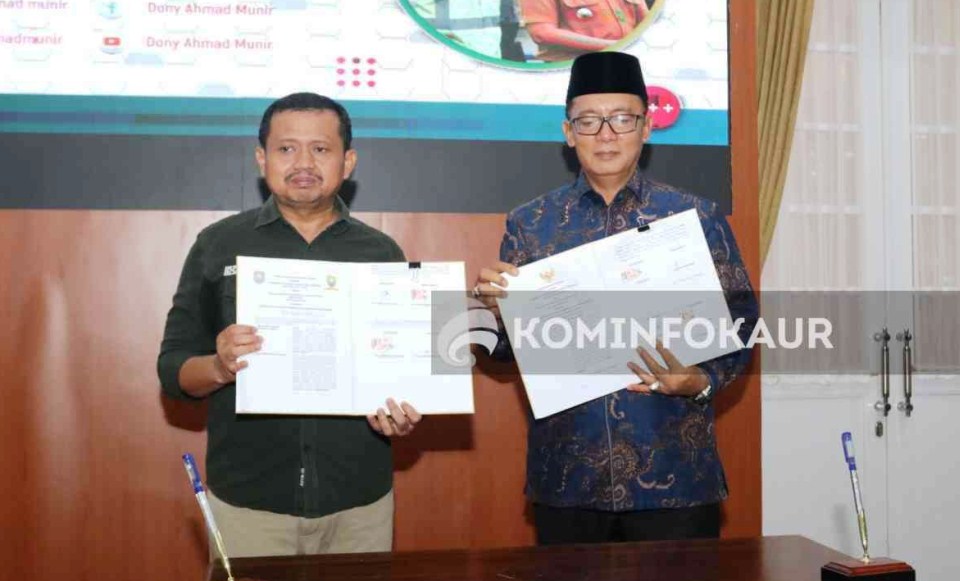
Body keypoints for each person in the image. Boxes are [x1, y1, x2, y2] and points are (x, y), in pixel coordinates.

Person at [474, 52, 758, 545]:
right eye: (589, 121)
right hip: (568, 480)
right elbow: (501, 351)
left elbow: (743, 323)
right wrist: (490, 313)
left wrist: (698, 381)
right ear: (569, 133)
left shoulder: (694, 218)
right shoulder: (531, 224)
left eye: (622, 119)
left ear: (646, 127)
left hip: (676, 479)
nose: (606, 134)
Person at [157, 92, 422, 557]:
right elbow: (173, 370)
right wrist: (219, 366)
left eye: (320, 149)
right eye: (286, 148)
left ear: (348, 161)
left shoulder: (382, 253)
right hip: (248, 504)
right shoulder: (217, 245)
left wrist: (402, 414)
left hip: (359, 504)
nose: (303, 163)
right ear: (262, 159)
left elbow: (403, 373)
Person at [520, 0, 656, 62]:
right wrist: (614, 46)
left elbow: (649, 25)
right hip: (572, 69)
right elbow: (542, 33)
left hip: (627, 64)